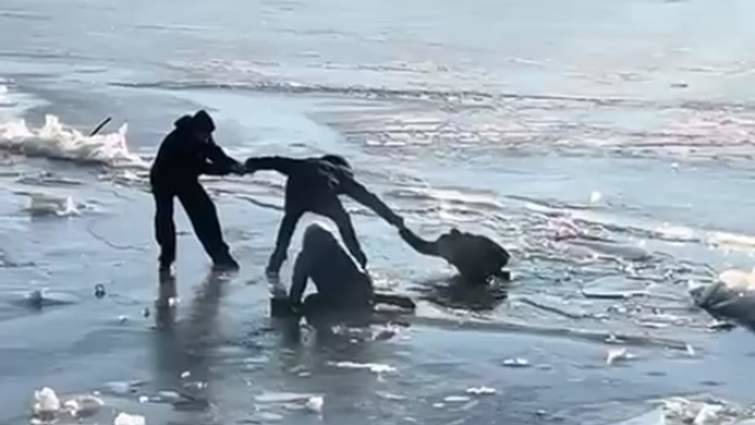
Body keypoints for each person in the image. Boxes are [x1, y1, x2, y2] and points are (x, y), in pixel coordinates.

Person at [244, 154, 404, 276]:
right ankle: (359, 258)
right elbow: (369, 199)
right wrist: (392, 218)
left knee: (289, 222)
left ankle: (276, 261)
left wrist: (250, 165)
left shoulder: (302, 163)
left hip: (297, 192)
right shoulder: (340, 174)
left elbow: (274, 161)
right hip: (322, 193)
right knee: (343, 221)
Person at [149, 110, 244, 272]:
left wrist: (233, 165)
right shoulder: (178, 141)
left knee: (206, 212)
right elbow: (199, 167)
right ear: (195, 130)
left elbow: (214, 152)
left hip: (185, 177)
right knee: (165, 217)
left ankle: (220, 256)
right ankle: (166, 258)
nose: (207, 138)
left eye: (209, 135)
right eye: (204, 134)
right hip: (163, 178)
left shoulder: (201, 136)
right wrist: (225, 170)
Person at [285, 223, 415, 321]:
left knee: (310, 301)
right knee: (362, 297)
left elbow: (298, 284)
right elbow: (357, 272)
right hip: (360, 290)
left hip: (338, 297)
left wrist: (294, 304)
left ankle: (368, 301)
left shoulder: (306, 257)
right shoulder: (337, 250)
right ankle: (382, 299)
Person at [398, 226, 510, 284]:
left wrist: (402, 229)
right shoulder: (449, 247)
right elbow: (422, 247)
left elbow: (504, 257)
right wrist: (402, 229)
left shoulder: (478, 243)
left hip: (480, 274)